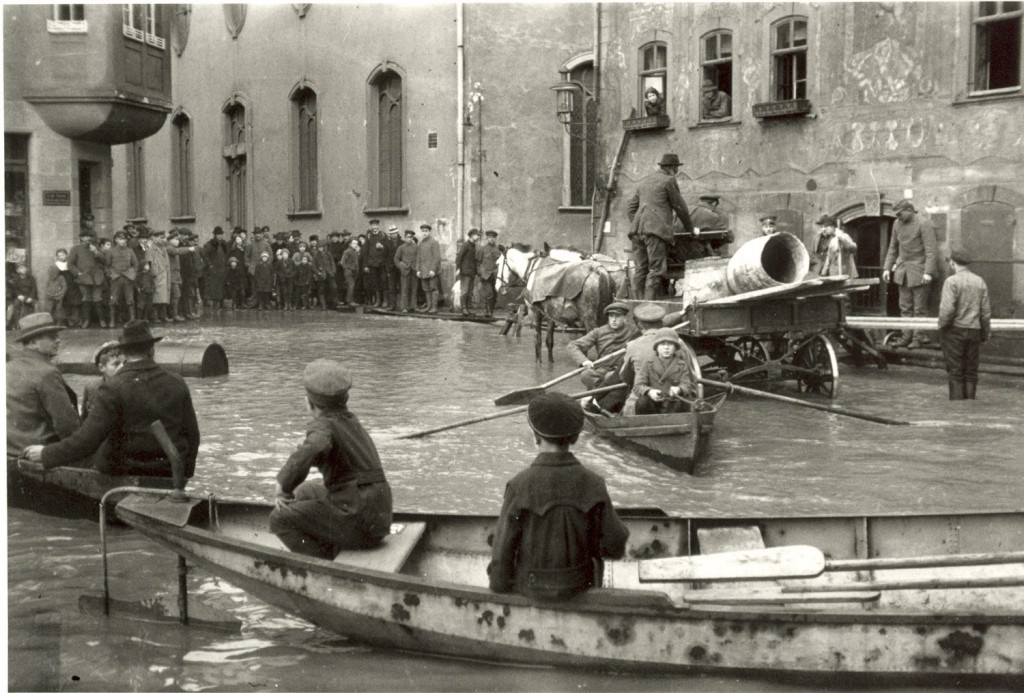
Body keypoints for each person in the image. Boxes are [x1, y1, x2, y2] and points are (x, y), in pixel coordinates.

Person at [487, 392, 629, 601]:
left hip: (531, 588)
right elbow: (616, 543)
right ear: (576, 437)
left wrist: (498, 587)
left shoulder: (519, 485)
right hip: (581, 586)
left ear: (535, 437)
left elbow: (503, 553)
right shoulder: (594, 483)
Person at [25, 320, 201, 479]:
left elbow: (87, 441)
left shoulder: (113, 387)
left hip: (128, 470)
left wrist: (46, 454)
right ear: (152, 350)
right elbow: (193, 435)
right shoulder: (177, 381)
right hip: (170, 469)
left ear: (123, 353)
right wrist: (185, 472)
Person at [268, 359, 393, 559]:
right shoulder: (350, 420)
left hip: (359, 521)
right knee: (305, 491)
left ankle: (324, 561)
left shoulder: (323, 426)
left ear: (309, 403)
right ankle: (328, 538)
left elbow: (315, 447)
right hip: (379, 518)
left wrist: (282, 483)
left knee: (278, 519)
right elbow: (320, 451)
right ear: (345, 398)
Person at [7, 312, 80, 461]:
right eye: (52, 337)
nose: (58, 340)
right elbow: (67, 426)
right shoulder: (47, 373)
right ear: (33, 343)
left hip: (12, 452)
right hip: (41, 455)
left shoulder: (8, 367)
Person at [626, 153, 694, 299]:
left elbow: (631, 209)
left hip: (636, 233)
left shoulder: (644, 182)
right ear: (672, 168)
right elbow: (680, 207)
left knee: (641, 269)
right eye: (676, 169)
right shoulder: (669, 181)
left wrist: (641, 224)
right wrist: (690, 230)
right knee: (656, 270)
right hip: (655, 233)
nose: (676, 173)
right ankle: (646, 308)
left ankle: (637, 304)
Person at [566, 302, 641, 414]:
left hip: (620, 371)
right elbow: (573, 346)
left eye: (617, 316)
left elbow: (654, 325)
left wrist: (678, 314)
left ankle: (604, 404)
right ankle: (594, 401)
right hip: (601, 369)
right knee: (586, 374)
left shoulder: (633, 331)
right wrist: (584, 361)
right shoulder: (598, 332)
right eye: (611, 316)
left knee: (612, 377)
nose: (614, 320)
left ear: (625, 318)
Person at [882, 200, 938, 349]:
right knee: (905, 307)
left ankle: (918, 338)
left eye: (900, 213)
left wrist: (928, 272)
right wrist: (887, 268)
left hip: (920, 271)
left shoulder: (923, 223)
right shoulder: (896, 224)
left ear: (909, 210)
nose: (898, 217)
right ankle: (906, 337)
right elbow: (893, 247)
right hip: (902, 272)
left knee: (919, 309)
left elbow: (931, 250)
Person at [938, 248, 992, 401]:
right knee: (971, 371)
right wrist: (984, 333)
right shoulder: (979, 281)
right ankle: (969, 406)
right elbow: (985, 312)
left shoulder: (951, 281)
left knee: (955, 371)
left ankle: (957, 409)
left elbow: (947, 310)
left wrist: (942, 327)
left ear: (953, 263)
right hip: (974, 330)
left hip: (955, 331)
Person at [633, 328, 697, 415]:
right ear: (656, 347)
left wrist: (679, 389)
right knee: (641, 402)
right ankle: (646, 426)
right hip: (654, 404)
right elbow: (638, 386)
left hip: (674, 402)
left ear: (675, 347)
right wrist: (650, 391)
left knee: (688, 401)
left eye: (670, 344)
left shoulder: (681, 364)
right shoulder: (648, 364)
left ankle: (683, 426)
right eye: (662, 344)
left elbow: (687, 384)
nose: (666, 347)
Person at [618, 302, 668, 391]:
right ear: (661, 323)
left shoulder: (632, 345)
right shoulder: (679, 342)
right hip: (673, 394)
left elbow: (625, 377)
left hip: (644, 393)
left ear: (640, 324)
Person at [68, 228, 107, 328]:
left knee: (97, 299)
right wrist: (78, 274)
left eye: (90, 236)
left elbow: (104, 261)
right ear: (81, 238)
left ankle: (102, 321)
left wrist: (96, 252)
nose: (87, 239)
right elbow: (70, 264)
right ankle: (86, 321)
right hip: (84, 278)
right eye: (85, 236)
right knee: (86, 299)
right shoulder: (75, 248)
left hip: (97, 277)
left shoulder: (96, 247)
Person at [81, 341, 124, 421]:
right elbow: (85, 419)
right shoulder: (92, 387)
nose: (122, 368)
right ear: (101, 367)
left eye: (124, 363)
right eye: (116, 364)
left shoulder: (130, 386)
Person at [105, 230, 139, 325]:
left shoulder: (130, 251)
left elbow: (135, 264)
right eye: (120, 239)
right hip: (116, 277)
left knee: (130, 299)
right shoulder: (111, 251)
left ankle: (132, 320)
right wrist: (110, 275)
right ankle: (112, 320)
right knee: (114, 299)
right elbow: (107, 265)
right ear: (116, 240)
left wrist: (132, 274)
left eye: (124, 239)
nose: (123, 241)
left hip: (128, 278)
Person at [415, 223, 442, 313]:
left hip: (431, 271)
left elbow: (437, 257)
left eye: (426, 231)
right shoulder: (420, 243)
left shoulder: (434, 242)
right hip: (423, 271)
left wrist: (433, 270)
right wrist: (418, 269)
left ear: (429, 232)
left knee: (433, 288)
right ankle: (429, 306)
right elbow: (418, 257)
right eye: (423, 231)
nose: (424, 233)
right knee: (426, 289)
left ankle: (434, 307)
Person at [476, 229, 502, 318]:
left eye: (493, 238)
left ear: (495, 239)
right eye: (489, 237)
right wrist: (480, 273)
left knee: (494, 294)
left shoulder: (498, 249)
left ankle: (491, 311)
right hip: (485, 275)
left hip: (495, 275)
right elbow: (478, 262)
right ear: (487, 238)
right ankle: (488, 312)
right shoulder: (482, 249)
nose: (491, 239)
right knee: (489, 293)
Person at [361, 219, 388, 307]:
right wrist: (365, 265)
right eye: (373, 225)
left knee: (383, 281)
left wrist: (382, 247)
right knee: (375, 282)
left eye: (376, 225)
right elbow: (365, 252)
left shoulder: (383, 235)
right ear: (371, 226)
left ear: (378, 226)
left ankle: (385, 301)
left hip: (382, 263)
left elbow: (388, 249)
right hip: (372, 264)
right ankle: (378, 300)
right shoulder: (368, 236)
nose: (374, 227)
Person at [203, 226, 229, 308]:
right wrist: (209, 265)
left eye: (221, 234)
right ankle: (216, 302)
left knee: (223, 285)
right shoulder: (210, 244)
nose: (220, 236)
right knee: (215, 286)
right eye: (218, 234)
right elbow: (205, 255)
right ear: (215, 235)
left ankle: (222, 301)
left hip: (223, 268)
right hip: (214, 268)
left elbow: (227, 254)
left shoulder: (224, 244)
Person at [456, 228, 481, 315]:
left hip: (471, 272)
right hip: (465, 272)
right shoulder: (466, 245)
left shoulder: (473, 245)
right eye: (476, 235)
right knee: (465, 290)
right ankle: (464, 308)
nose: (478, 237)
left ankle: (467, 308)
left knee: (469, 291)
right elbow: (459, 257)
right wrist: (458, 269)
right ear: (471, 236)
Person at [6, 262, 37, 329]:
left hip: (29, 296)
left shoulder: (31, 278)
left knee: (35, 305)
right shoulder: (16, 279)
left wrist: (31, 297)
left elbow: (34, 289)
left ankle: (33, 325)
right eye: (21, 268)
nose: (23, 269)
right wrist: (19, 296)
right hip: (20, 297)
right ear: (17, 270)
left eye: (24, 268)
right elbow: (14, 289)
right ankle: (16, 324)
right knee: (16, 305)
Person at [394, 230, 419, 312]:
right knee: (404, 289)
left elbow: (419, 258)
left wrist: (417, 267)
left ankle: (413, 306)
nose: (409, 239)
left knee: (414, 288)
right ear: (405, 238)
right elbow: (396, 259)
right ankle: (404, 307)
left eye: (411, 237)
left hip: (414, 270)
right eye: (408, 237)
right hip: (405, 271)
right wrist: (401, 266)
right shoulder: (401, 247)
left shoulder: (416, 247)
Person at [341, 238, 361, 306]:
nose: (355, 245)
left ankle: (350, 300)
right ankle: (350, 301)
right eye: (354, 243)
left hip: (355, 271)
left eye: (356, 243)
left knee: (352, 285)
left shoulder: (355, 251)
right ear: (350, 244)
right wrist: (347, 269)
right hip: (349, 271)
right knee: (351, 285)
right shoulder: (347, 252)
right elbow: (343, 262)